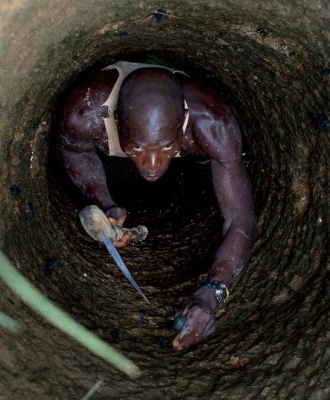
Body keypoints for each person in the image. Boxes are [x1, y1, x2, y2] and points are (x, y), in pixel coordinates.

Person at [58, 61, 256, 350]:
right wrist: (104, 201)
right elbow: (74, 150)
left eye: (166, 148)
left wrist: (212, 291)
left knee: (221, 156)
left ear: (182, 121)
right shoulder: (87, 112)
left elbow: (240, 219)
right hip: (116, 117)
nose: (153, 166)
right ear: (115, 120)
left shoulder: (211, 124)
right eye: (137, 149)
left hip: (197, 144)